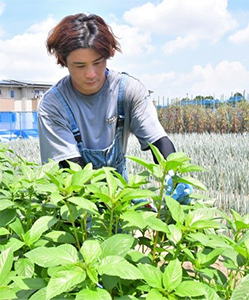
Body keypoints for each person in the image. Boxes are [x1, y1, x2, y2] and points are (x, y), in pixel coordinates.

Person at [38, 13, 192, 204]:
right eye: (79, 66)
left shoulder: (127, 91)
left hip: (118, 196)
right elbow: (70, 169)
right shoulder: (53, 104)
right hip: (76, 204)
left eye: (98, 62)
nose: (91, 74)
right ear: (63, 60)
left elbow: (158, 140)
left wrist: (174, 174)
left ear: (108, 55)